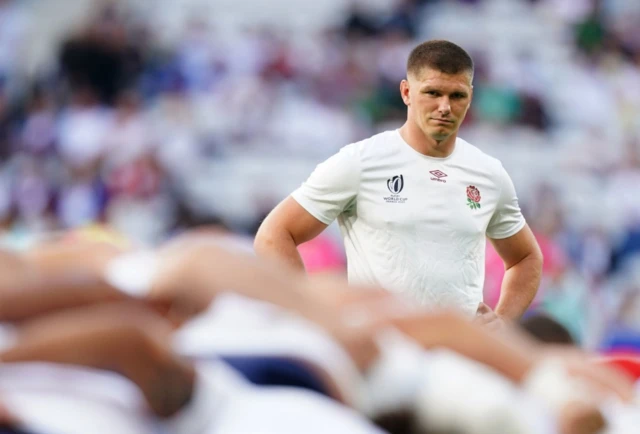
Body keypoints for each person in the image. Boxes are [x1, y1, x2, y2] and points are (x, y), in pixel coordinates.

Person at [254, 40, 543, 324]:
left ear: (470, 96)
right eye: (432, 92)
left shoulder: (488, 173)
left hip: (457, 355)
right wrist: (312, 314)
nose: (445, 106)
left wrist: (502, 320)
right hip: (385, 349)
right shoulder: (361, 161)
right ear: (406, 92)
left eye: (457, 96)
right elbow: (274, 234)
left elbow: (526, 258)